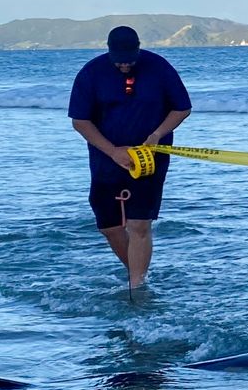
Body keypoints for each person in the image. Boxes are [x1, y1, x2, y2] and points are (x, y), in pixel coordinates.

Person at [69, 25, 193, 291]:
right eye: (119, 61)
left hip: (150, 156)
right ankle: (134, 271)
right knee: (109, 226)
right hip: (106, 157)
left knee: (139, 223)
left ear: (139, 49)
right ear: (109, 51)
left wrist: (158, 133)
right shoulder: (91, 73)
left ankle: (137, 285)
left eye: (130, 60)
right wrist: (113, 151)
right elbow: (80, 121)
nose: (125, 65)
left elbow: (182, 108)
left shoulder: (159, 67)